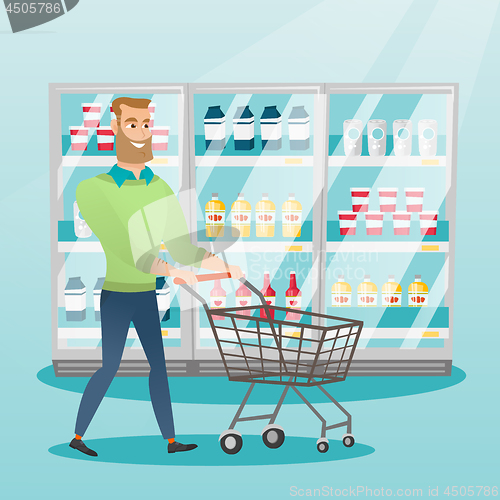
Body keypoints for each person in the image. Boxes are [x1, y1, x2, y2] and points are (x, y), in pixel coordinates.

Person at [69, 97, 243, 457]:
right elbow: (122, 245)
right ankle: (79, 436)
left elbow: (181, 247)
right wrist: (169, 270)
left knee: (159, 367)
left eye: (146, 124)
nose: (141, 132)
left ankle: (170, 440)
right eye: (132, 124)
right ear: (114, 128)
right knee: (110, 366)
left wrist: (221, 267)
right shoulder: (92, 189)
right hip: (118, 294)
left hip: (147, 295)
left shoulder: (160, 188)